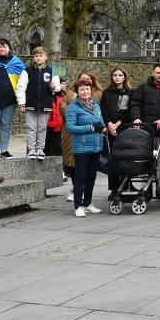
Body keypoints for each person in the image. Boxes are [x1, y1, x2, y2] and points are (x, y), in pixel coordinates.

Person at [130, 63, 160, 195]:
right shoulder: (143, 87)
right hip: (145, 131)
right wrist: (136, 118)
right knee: (145, 159)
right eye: (158, 73)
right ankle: (145, 188)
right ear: (153, 73)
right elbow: (135, 104)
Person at [66, 78, 105, 217]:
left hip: (96, 146)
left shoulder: (96, 106)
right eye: (82, 89)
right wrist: (91, 127)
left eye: (87, 89)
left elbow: (100, 122)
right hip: (81, 147)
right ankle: (78, 205)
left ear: (91, 90)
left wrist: (103, 128)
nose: (85, 91)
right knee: (80, 178)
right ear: (77, 91)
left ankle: (88, 203)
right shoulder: (72, 107)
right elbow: (70, 128)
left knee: (91, 177)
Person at [15, 46, 61, 160]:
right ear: (33, 58)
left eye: (41, 55)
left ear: (45, 57)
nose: (39, 58)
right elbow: (20, 88)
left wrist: (53, 87)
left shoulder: (52, 71)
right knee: (32, 128)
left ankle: (40, 150)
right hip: (31, 104)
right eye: (36, 56)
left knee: (42, 128)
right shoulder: (27, 71)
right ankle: (31, 150)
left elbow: (58, 88)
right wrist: (21, 103)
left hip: (45, 104)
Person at [100, 66, 133, 200]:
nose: (117, 77)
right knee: (113, 159)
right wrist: (109, 124)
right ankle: (114, 188)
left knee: (126, 158)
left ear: (124, 77)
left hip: (124, 129)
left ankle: (127, 186)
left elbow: (129, 111)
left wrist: (118, 124)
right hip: (111, 130)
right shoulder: (107, 92)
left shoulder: (130, 92)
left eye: (120, 75)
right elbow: (104, 110)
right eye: (115, 75)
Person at [44, 78, 66, 157]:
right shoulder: (46, 94)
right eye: (62, 83)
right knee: (47, 150)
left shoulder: (64, 96)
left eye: (64, 83)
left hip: (59, 127)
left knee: (59, 149)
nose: (64, 85)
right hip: (47, 126)